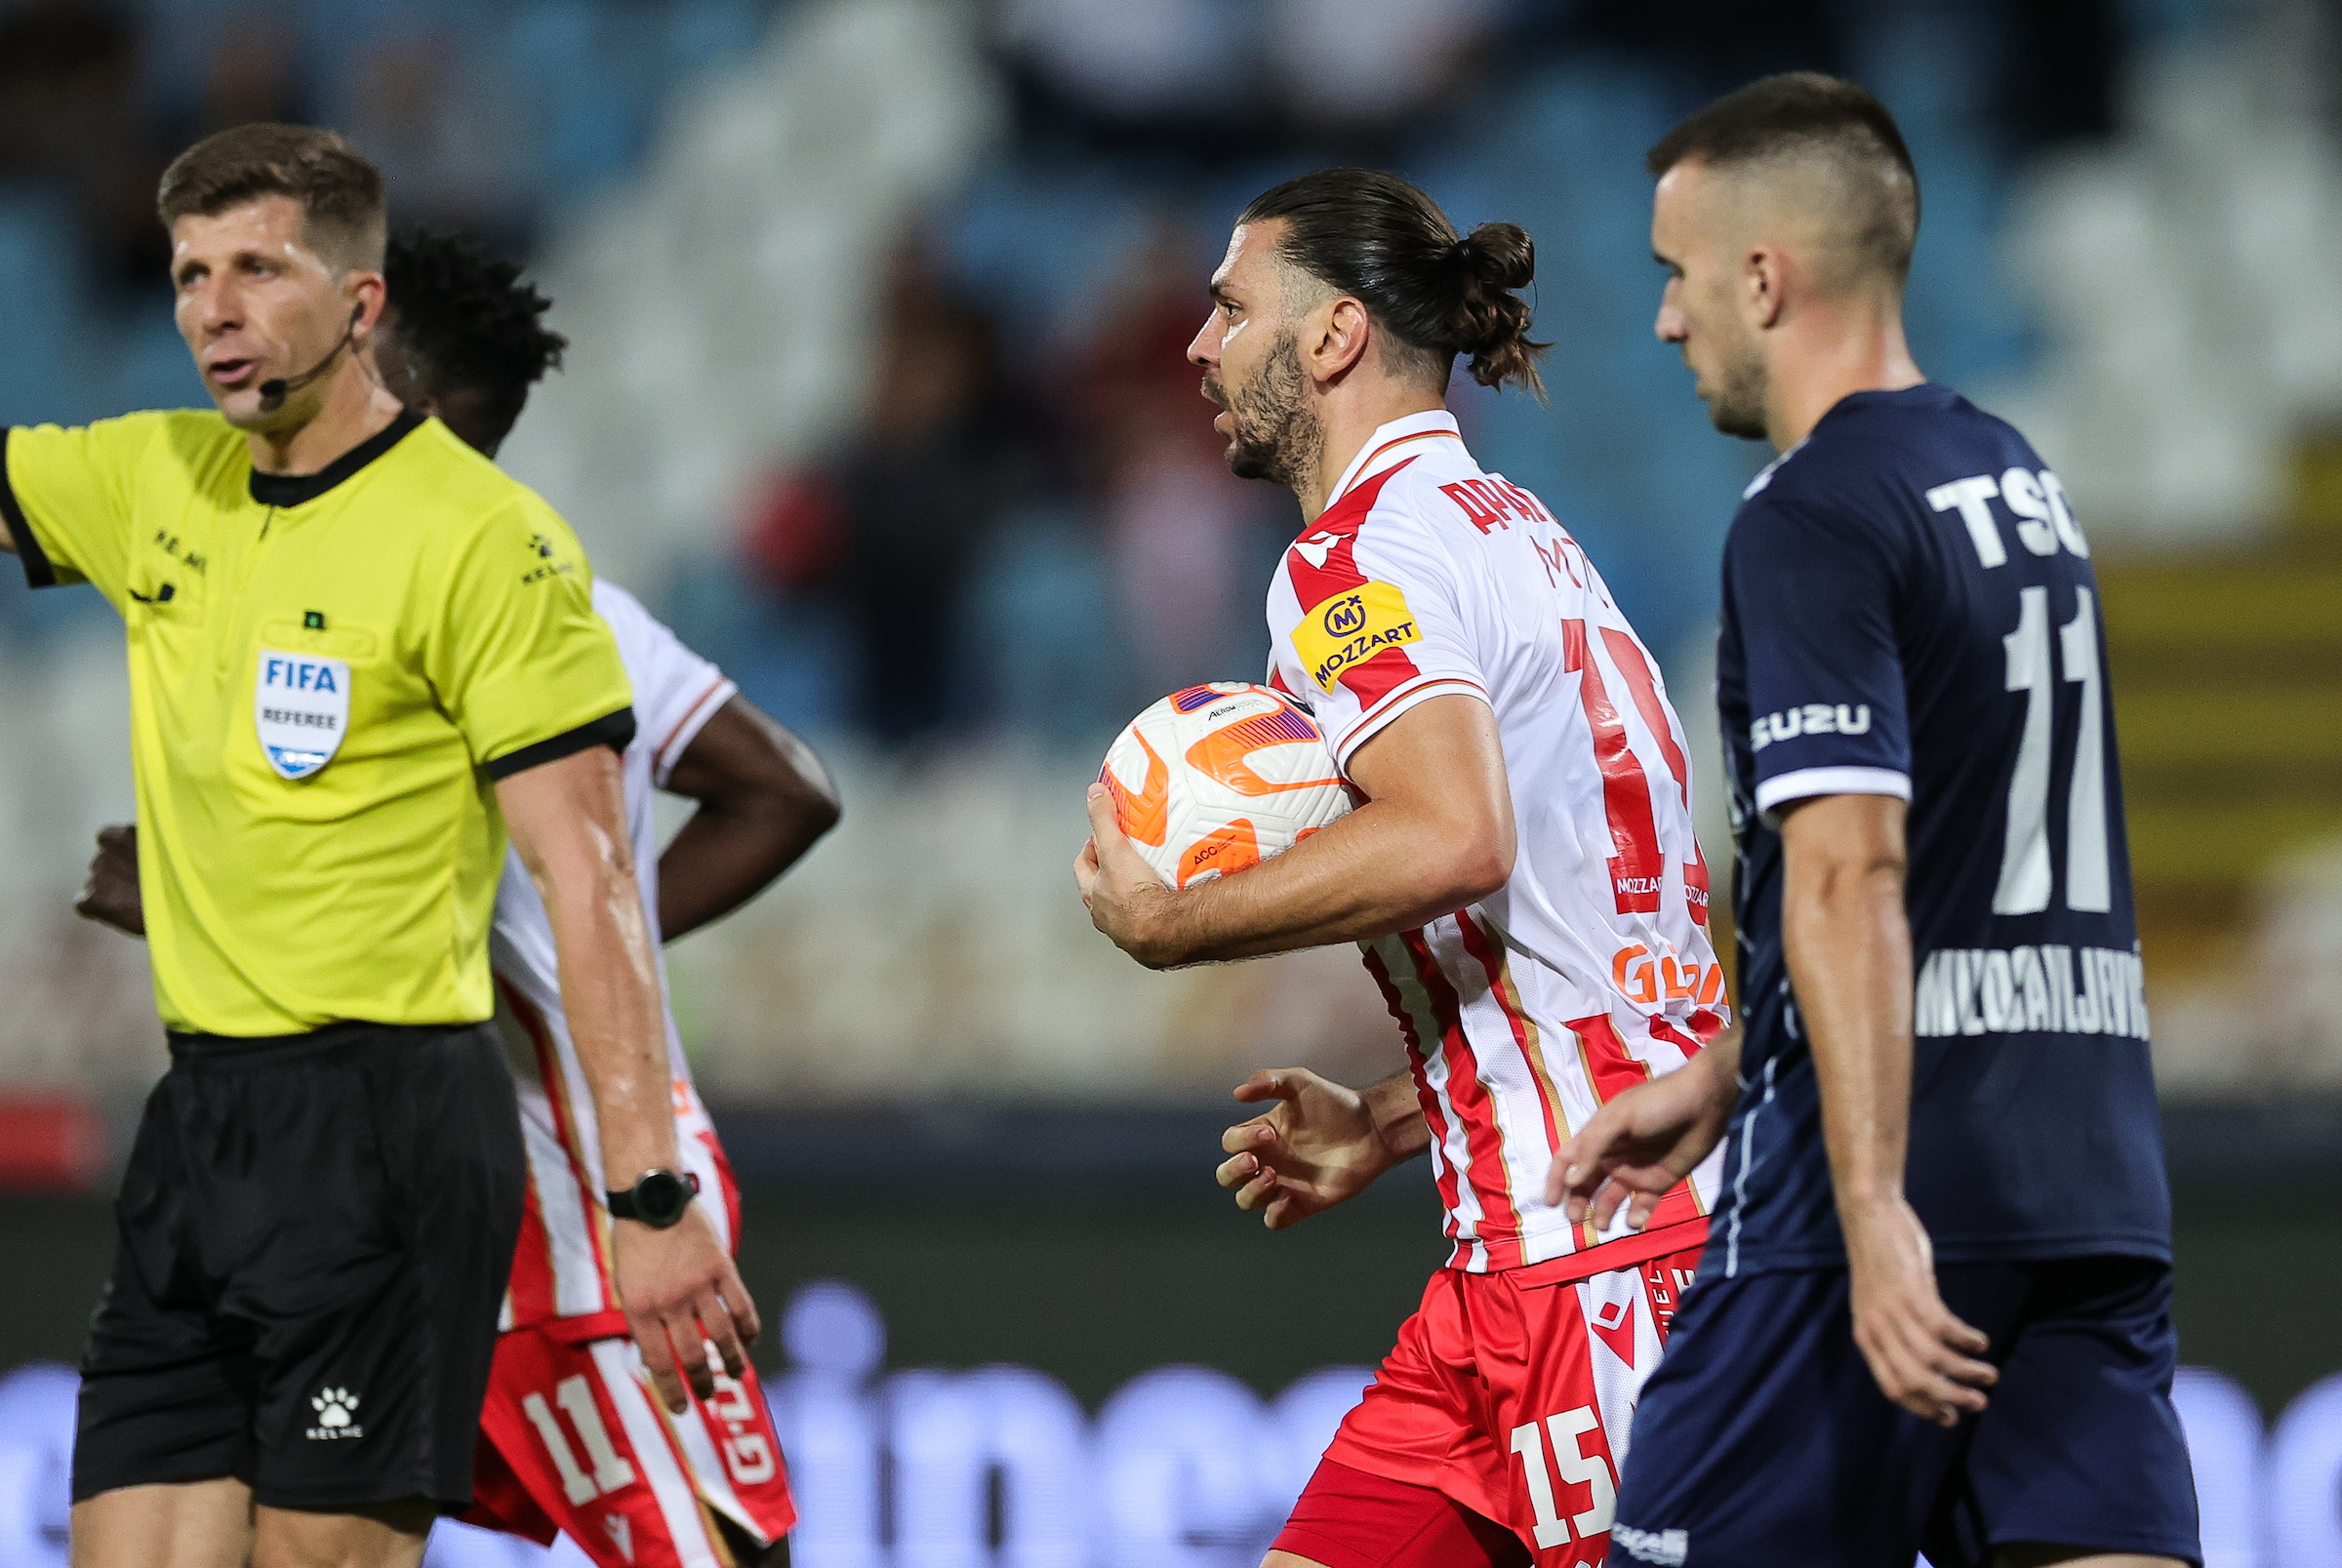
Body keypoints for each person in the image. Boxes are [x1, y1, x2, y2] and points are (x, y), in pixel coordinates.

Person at [1, 124, 755, 1568]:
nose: (214, 310)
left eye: (259, 269)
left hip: (385, 1128)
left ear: (359, 305)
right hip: (200, 1119)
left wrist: (648, 1197)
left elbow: (588, 881)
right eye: (189, 274)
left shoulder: (484, 542)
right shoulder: (153, 476)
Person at [1555, 74, 2197, 1568]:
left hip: (1886, 1197)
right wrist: (1733, 1055)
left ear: (1764, 277)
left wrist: (1869, 1209)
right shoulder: (2016, 480)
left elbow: (1855, 868)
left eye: (1677, 276)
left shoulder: (1810, 515)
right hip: (2090, 1183)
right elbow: (1979, 853)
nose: (1664, 321)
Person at [1076, 168, 1730, 1568]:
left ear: (1331, 339)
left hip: (1597, 1263)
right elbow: (1590, 944)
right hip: (1539, 1246)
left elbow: (1457, 837)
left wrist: (1175, 922)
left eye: (1230, 308)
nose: (1197, 346)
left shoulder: (1350, 561)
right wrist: (1394, 1116)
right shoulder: (1531, 538)